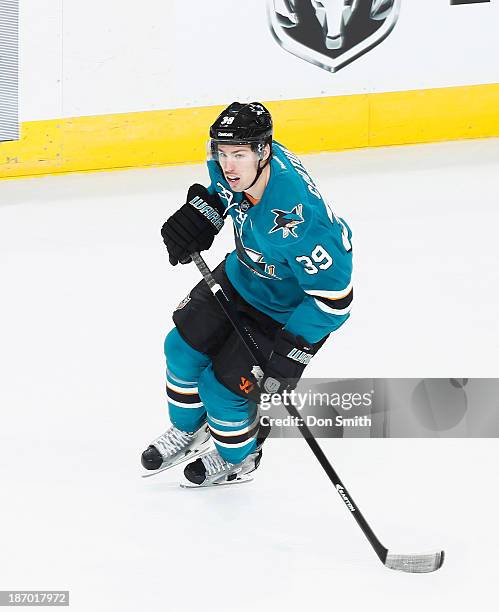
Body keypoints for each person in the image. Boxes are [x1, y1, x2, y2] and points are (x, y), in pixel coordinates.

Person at [141, 101, 353, 486]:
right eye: (222, 154)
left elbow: (334, 299)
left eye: (238, 155)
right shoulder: (241, 164)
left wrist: (292, 353)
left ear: (264, 151)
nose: (228, 165)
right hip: (242, 276)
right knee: (180, 349)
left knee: (222, 392)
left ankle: (240, 456)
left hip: (283, 313)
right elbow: (222, 190)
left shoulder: (303, 220)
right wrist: (205, 213)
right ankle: (190, 431)